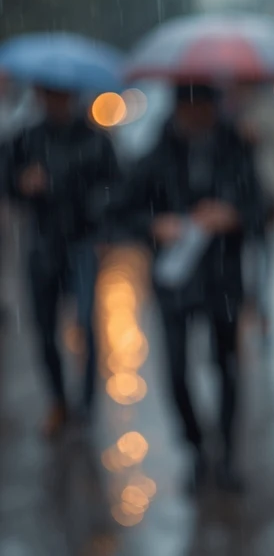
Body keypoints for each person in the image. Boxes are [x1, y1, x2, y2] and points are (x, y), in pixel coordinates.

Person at [113, 82, 264, 493]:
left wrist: (232, 216)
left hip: (222, 280)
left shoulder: (237, 150)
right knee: (176, 371)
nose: (197, 117)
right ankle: (196, 449)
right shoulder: (155, 157)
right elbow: (118, 211)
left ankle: (228, 454)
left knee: (228, 368)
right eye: (189, 108)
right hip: (174, 282)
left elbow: (260, 207)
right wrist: (154, 225)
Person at [3, 84, 120, 437]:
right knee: (44, 326)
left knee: (85, 321)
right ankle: (58, 400)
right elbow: (7, 180)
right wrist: (22, 183)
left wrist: (98, 218)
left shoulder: (94, 139)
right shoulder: (25, 139)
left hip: (83, 241)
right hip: (42, 242)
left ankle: (86, 403)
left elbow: (114, 185)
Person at [230, 81, 274, 343]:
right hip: (236, 197)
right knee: (243, 260)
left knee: (263, 258)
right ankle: (246, 307)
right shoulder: (228, 110)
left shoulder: (268, 108)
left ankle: (261, 309)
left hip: (265, 194)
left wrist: (260, 134)